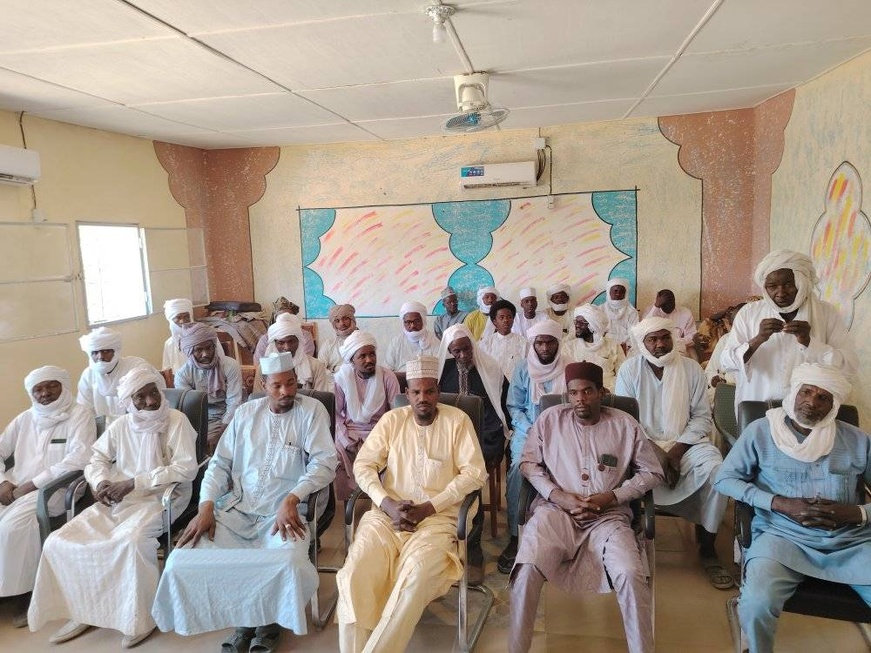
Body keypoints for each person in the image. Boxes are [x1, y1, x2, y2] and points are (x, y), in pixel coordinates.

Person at [153, 352, 337, 652]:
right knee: (183, 557)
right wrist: (206, 506)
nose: (286, 392)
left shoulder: (312, 410)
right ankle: (245, 617)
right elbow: (220, 464)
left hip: (285, 513)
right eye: (277, 385)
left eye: (291, 384)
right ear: (263, 384)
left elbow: (324, 463)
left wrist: (293, 497)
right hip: (237, 507)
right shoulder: (245, 414)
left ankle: (266, 623)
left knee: (287, 561)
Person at [28, 366, 197, 648]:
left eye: (153, 392)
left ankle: (139, 617)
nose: (151, 402)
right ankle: (81, 609)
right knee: (60, 541)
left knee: (130, 542)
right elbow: (96, 459)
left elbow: (185, 469)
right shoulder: (120, 425)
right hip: (118, 496)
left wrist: (135, 482)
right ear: (128, 402)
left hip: (164, 495)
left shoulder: (176, 420)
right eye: (140, 397)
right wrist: (100, 482)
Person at [715, 364, 870, 653]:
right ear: (794, 392)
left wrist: (857, 513)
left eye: (823, 397)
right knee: (757, 603)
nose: (812, 402)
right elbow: (724, 480)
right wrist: (779, 504)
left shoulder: (857, 440)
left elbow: (860, 512)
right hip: (781, 537)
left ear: (834, 404)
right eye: (807, 392)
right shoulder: (760, 431)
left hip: (849, 542)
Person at [510, 362, 664, 653]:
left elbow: (652, 472)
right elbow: (528, 464)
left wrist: (612, 497)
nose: (580, 399)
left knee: (632, 575)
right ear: (567, 395)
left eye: (587, 391)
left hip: (608, 518)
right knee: (526, 569)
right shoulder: (549, 420)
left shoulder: (625, 425)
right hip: (555, 513)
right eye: (573, 393)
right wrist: (558, 495)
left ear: (601, 392)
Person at [336, 356, 486, 653]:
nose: (423, 399)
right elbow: (364, 466)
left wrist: (430, 506)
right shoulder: (393, 420)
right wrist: (386, 503)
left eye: (429, 391)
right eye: (416, 392)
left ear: (438, 390)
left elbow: (475, 473)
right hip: (387, 516)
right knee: (355, 573)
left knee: (413, 578)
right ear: (407, 392)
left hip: (439, 518)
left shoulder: (458, 421)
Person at [615, 317, 732, 589]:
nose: (659, 344)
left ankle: (708, 546)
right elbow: (625, 420)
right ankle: (630, 540)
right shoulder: (629, 370)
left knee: (716, 470)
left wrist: (676, 452)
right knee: (616, 469)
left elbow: (702, 418)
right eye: (652, 339)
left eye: (664, 337)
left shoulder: (691, 369)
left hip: (685, 443)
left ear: (672, 338)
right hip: (641, 444)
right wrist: (655, 451)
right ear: (642, 343)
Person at [0, 366, 95, 628]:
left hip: (54, 489)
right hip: (15, 487)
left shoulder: (79, 414)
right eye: (38, 389)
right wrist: (3, 482)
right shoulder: (24, 419)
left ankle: (26, 593)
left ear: (63, 385)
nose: (45, 394)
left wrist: (30, 485)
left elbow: (79, 458)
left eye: (51, 386)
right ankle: (3, 587)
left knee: (12, 529)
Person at [719, 250, 856, 410]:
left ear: (802, 282)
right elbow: (726, 362)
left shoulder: (826, 313)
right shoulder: (749, 313)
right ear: (765, 287)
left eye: (789, 285)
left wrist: (810, 343)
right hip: (759, 408)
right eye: (772, 286)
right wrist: (759, 339)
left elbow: (849, 366)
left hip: (810, 414)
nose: (781, 293)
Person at [437, 324, 510, 583]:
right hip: (445, 442)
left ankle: (473, 546)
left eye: (466, 349)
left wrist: (486, 446)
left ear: (473, 345)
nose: (463, 356)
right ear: (448, 350)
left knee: (471, 481)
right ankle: (443, 542)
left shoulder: (489, 368)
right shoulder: (441, 372)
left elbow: (499, 413)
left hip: (481, 441)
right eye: (456, 351)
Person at [500, 319, 568, 573]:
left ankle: (562, 535)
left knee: (568, 469)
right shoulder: (522, 368)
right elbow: (514, 407)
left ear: (557, 343)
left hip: (563, 432)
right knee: (519, 470)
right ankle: (516, 536)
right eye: (540, 342)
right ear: (534, 344)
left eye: (550, 341)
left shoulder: (570, 367)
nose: (545, 347)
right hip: (527, 431)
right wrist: (533, 429)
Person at [334, 331, 400, 502]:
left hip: (381, 432)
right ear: (352, 360)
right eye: (362, 356)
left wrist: (378, 439)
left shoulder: (388, 377)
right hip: (349, 434)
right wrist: (347, 441)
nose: (369, 360)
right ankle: (347, 505)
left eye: (372, 354)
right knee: (334, 456)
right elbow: (336, 415)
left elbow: (397, 415)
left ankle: (383, 502)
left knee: (394, 455)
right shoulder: (342, 378)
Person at [174, 322, 243, 455]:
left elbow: (235, 403)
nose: (205, 354)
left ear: (214, 347)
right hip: (202, 418)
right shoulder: (183, 374)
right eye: (199, 350)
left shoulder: (230, 366)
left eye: (209, 348)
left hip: (232, 416)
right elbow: (190, 410)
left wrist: (221, 433)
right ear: (190, 352)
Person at [77, 327, 162, 423]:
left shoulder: (137, 366)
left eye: (106, 351)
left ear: (115, 351)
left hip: (141, 422)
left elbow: (151, 403)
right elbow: (84, 410)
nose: (100, 357)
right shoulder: (88, 375)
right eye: (95, 352)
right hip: (104, 429)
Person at [254, 313, 331, 392]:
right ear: (274, 344)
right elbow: (259, 398)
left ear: (299, 342)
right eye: (281, 343)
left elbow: (322, 398)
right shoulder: (264, 368)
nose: (287, 347)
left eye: (291, 341)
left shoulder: (316, 366)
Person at [563, 303, 625, 391]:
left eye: (581, 322)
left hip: (609, 392)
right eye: (576, 322)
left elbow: (622, 374)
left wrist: (611, 389)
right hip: (580, 395)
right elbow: (565, 377)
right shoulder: (568, 347)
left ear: (592, 326)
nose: (577, 325)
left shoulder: (613, 345)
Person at [253, 296, 315, 365]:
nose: (287, 347)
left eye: (288, 317)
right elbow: (259, 365)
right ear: (275, 320)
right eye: (281, 318)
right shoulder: (266, 339)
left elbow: (307, 361)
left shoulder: (305, 336)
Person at [478, 298, 528, 380]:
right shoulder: (485, 344)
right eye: (501, 317)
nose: (506, 320)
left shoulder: (524, 343)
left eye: (509, 317)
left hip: (517, 388)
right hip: (493, 387)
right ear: (494, 321)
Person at [383, 301, 439, 371]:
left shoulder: (434, 340)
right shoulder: (396, 342)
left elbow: (440, 368)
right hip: (400, 381)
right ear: (403, 323)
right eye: (408, 322)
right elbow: (387, 370)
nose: (412, 326)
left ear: (423, 321)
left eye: (416, 321)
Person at [642, 289, 697, 356]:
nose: (668, 306)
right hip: (656, 349)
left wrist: (674, 342)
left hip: (678, 348)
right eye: (664, 304)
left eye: (671, 303)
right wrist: (656, 307)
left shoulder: (685, 313)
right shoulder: (650, 311)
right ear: (658, 302)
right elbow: (643, 329)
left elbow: (692, 336)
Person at [318, 303, 358, 378]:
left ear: (352, 319)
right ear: (334, 324)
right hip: (332, 384)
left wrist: (336, 369)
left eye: (345, 319)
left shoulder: (362, 341)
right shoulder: (329, 344)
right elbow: (319, 369)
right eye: (337, 321)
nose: (342, 323)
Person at [602, 278, 639, 353]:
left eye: (621, 291)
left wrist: (623, 347)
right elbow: (599, 332)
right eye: (615, 291)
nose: (618, 294)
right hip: (604, 347)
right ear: (609, 292)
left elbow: (633, 334)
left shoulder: (632, 312)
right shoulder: (600, 310)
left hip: (626, 348)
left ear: (626, 293)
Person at [161, 298, 193, 374]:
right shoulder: (169, 343)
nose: (183, 321)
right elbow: (167, 370)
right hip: (179, 384)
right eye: (178, 317)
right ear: (171, 320)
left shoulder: (204, 336)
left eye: (186, 316)